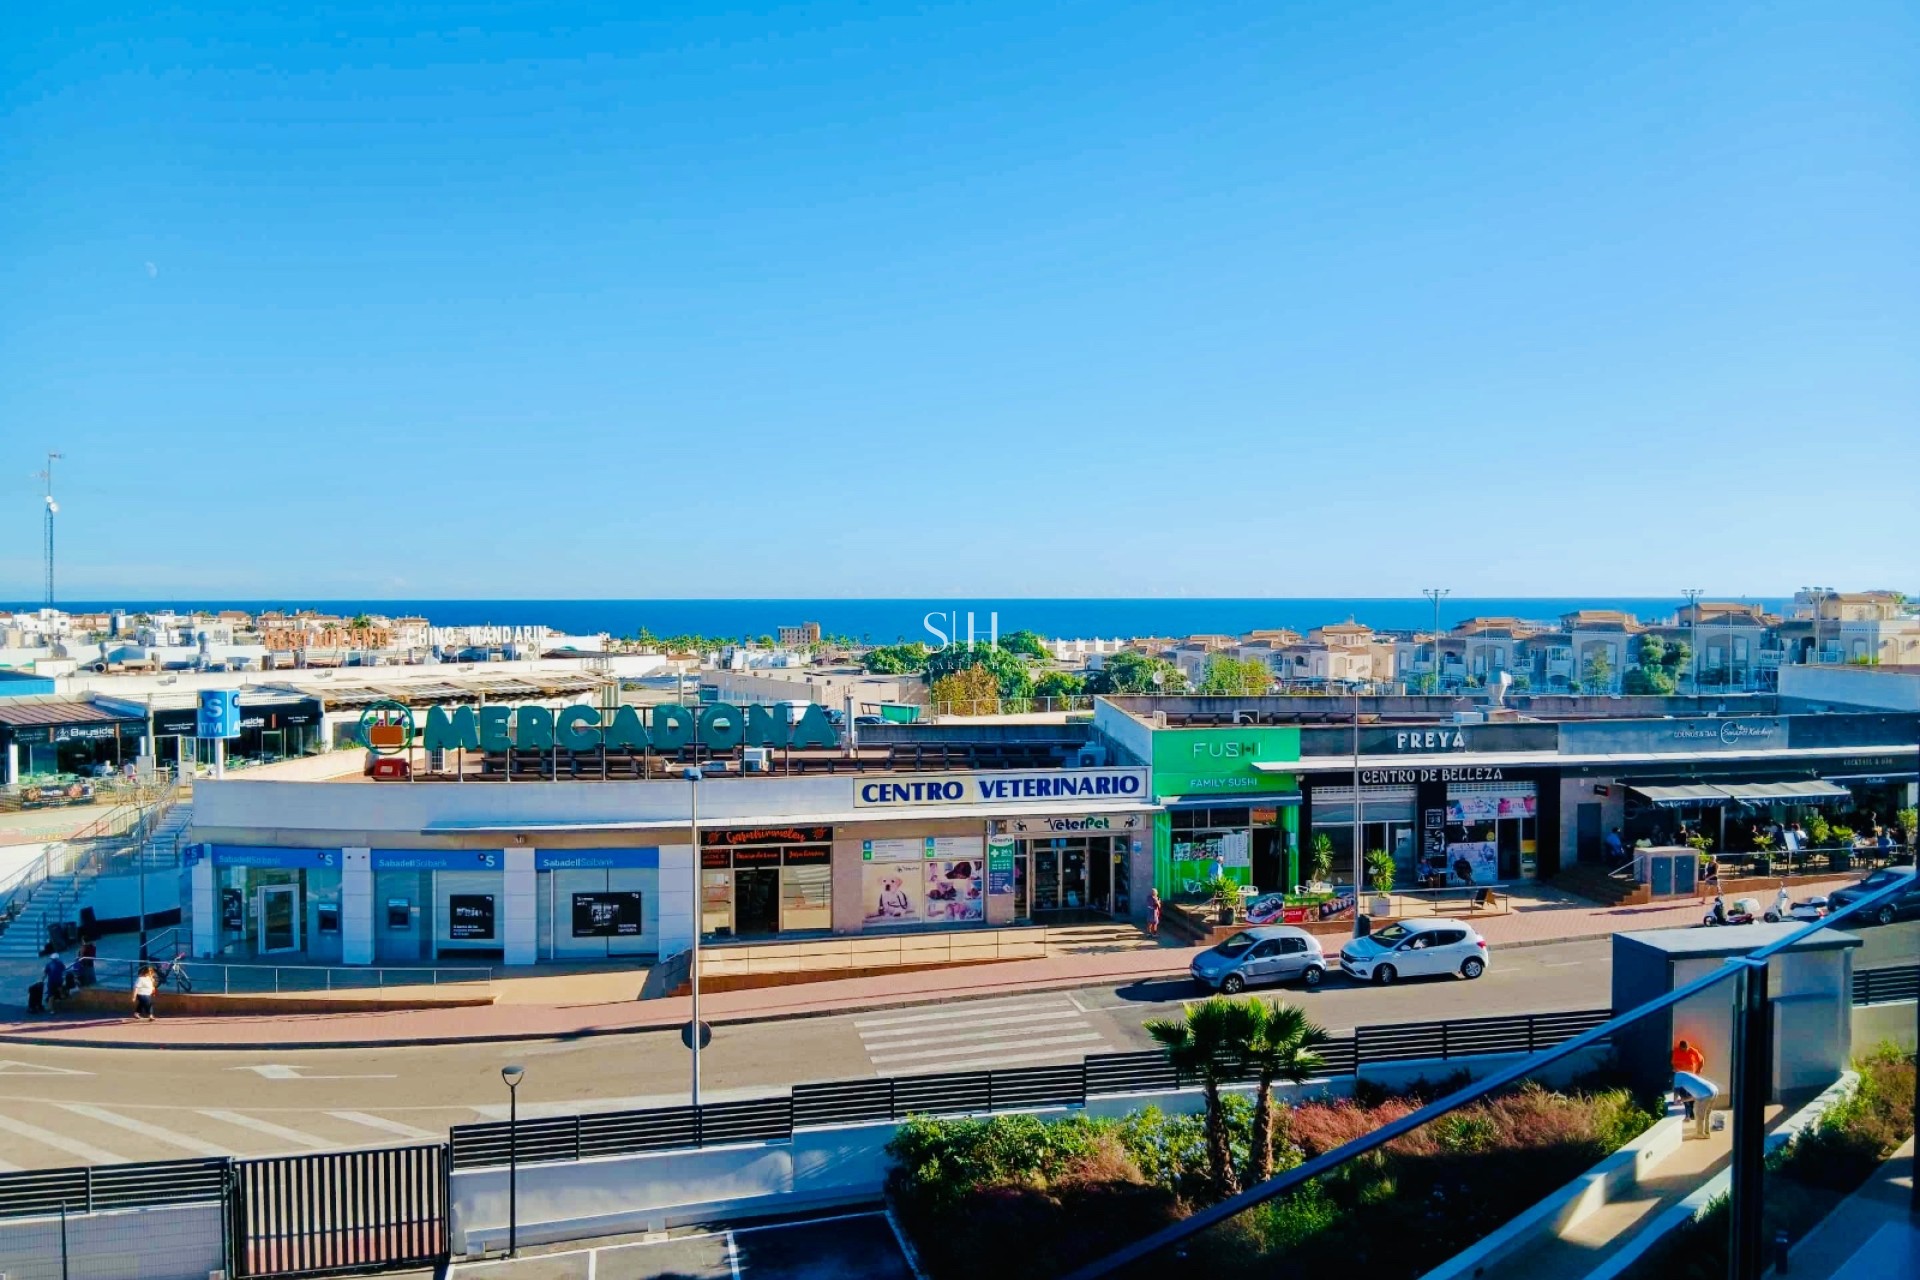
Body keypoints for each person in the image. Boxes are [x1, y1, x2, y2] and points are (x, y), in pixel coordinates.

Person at [1672, 1070, 1721, 1139]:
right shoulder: (1686, 1076)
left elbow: (1676, 1091)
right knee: (1706, 1114)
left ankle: (1699, 1134)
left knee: (1698, 1114)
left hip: (1706, 1094)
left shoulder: (1677, 1077)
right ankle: (1707, 1134)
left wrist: (1675, 1101)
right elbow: (1696, 1096)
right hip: (1714, 1090)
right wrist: (1683, 1100)